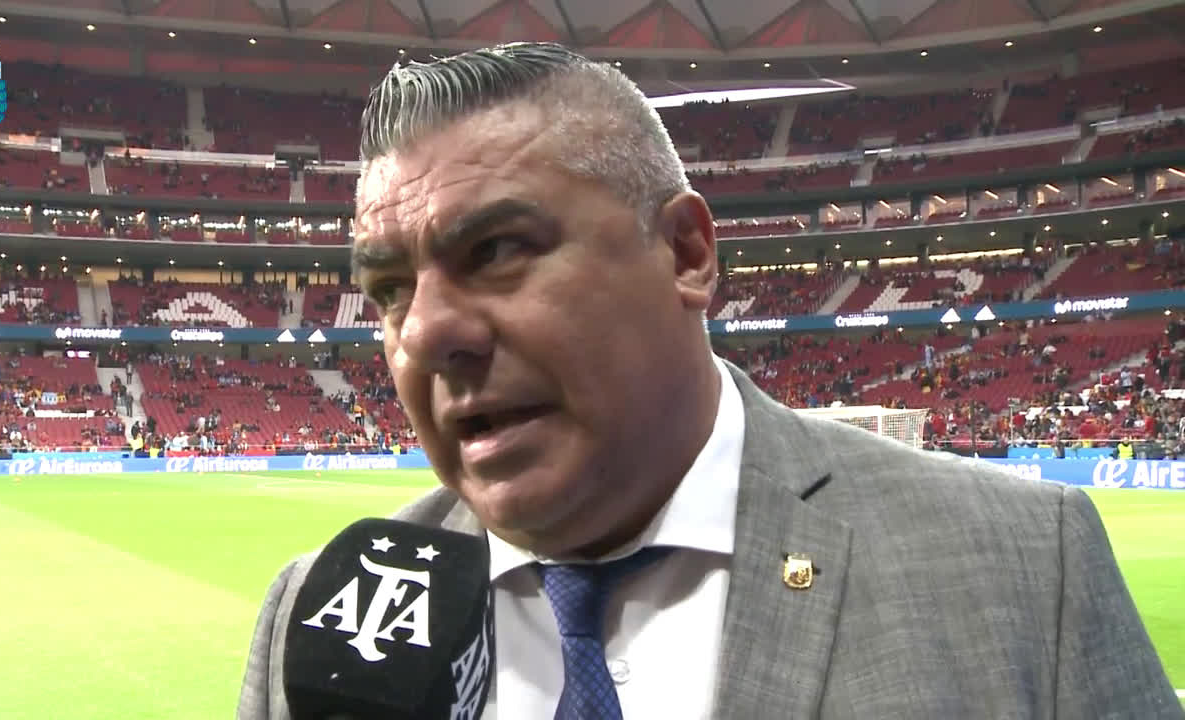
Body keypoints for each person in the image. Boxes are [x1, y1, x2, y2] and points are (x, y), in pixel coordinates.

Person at [237, 43, 1181, 719]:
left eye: (495, 250)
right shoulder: (322, 620)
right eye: (389, 291)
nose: (426, 333)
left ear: (687, 253)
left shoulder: (1026, 566)